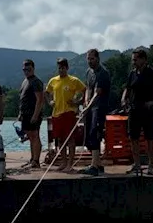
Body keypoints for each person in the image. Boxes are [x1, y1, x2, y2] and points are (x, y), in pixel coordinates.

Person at [121, 47, 153, 176]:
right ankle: (136, 164)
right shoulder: (132, 73)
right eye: (133, 60)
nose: (134, 62)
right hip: (134, 109)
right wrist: (123, 98)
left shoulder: (151, 73)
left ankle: (151, 165)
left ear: (143, 59)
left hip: (148, 109)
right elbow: (127, 88)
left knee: (150, 138)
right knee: (133, 137)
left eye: (136, 60)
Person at [45, 57, 86, 172]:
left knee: (70, 139)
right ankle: (63, 162)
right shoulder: (53, 81)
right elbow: (47, 92)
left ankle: (70, 164)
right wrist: (49, 102)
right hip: (56, 113)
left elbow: (85, 90)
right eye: (59, 68)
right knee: (60, 139)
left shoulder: (73, 80)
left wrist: (78, 102)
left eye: (63, 68)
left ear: (67, 68)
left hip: (69, 113)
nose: (61, 70)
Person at [79, 48, 112, 176]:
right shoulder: (89, 72)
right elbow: (88, 88)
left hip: (99, 107)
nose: (90, 61)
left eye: (92, 58)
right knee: (88, 135)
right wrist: (86, 102)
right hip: (90, 107)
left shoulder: (103, 73)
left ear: (98, 58)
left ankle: (94, 165)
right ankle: (97, 163)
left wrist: (88, 107)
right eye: (88, 58)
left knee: (95, 133)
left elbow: (97, 93)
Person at [18, 59, 46, 168]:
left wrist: (35, 115)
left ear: (33, 69)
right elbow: (22, 98)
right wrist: (20, 113)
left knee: (35, 136)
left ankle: (36, 161)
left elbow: (40, 99)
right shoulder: (25, 81)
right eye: (24, 69)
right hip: (25, 114)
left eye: (28, 69)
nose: (26, 71)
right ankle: (32, 159)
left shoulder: (36, 81)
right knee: (30, 136)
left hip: (33, 113)